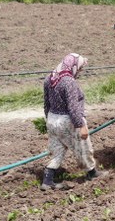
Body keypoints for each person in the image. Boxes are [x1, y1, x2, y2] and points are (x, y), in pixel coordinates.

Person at [41, 53, 103, 190]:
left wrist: (49, 121)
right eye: (79, 68)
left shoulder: (49, 78)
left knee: (57, 150)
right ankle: (92, 173)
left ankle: (47, 180)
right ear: (73, 66)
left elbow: (46, 104)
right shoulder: (69, 82)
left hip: (52, 119)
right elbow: (73, 106)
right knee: (82, 147)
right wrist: (80, 125)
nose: (79, 72)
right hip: (67, 120)